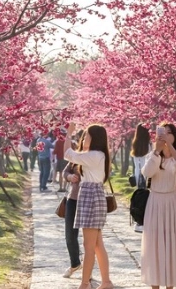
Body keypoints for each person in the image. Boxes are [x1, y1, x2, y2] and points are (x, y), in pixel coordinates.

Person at [64, 123, 114, 289]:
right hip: (91, 196)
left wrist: (68, 134)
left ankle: (85, 283)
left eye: (87, 136)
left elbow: (67, 153)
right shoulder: (96, 155)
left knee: (89, 246)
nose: (84, 139)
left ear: (95, 139)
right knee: (97, 244)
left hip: (90, 197)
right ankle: (106, 281)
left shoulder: (94, 155)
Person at [141, 123, 176, 289]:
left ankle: (170, 285)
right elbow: (147, 173)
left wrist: (171, 148)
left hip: (173, 203)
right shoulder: (153, 155)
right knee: (154, 245)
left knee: (172, 245)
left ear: (175, 136)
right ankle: (154, 285)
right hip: (155, 202)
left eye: (170, 133)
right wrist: (157, 150)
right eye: (163, 133)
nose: (166, 135)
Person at [62, 161, 82, 278]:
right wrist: (70, 176)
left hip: (89, 199)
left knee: (89, 238)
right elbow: (65, 171)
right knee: (69, 234)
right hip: (73, 199)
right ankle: (75, 263)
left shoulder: (97, 154)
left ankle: (88, 269)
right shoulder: (76, 156)